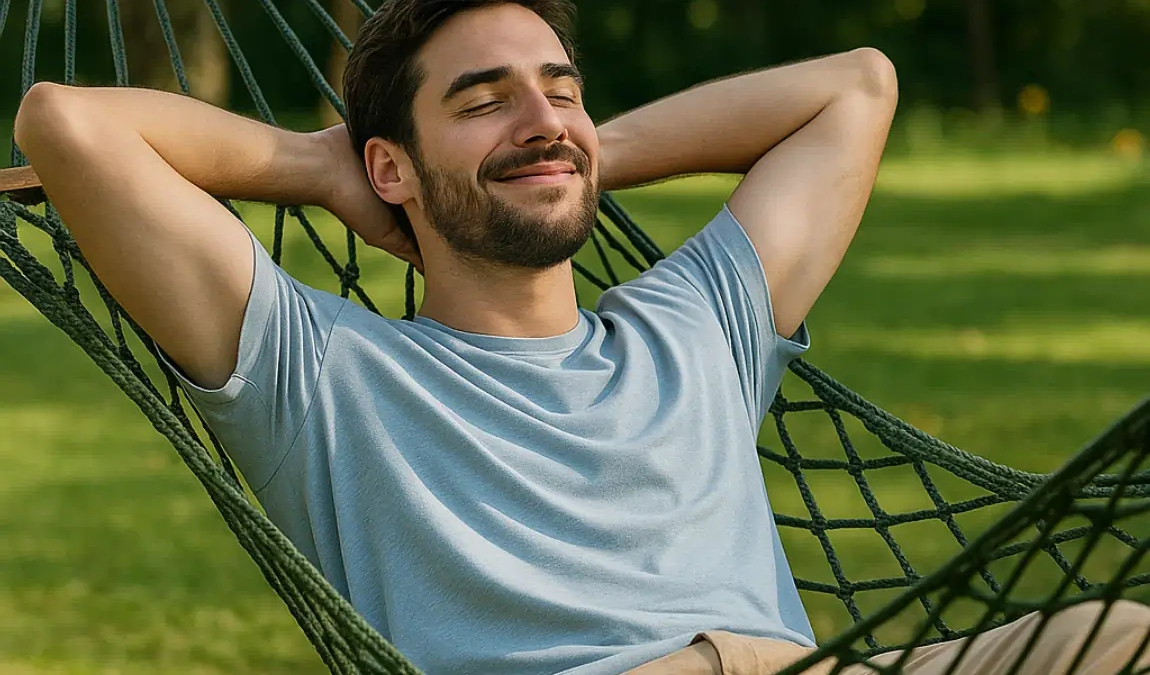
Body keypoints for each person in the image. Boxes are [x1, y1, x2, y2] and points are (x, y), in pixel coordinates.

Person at [12, 1, 1149, 673]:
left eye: (560, 90)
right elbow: (67, 123)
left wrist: (565, 152)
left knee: (1112, 633)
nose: (543, 116)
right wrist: (320, 166)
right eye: (484, 100)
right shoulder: (320, 374)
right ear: (389, 167)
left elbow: (857, 86)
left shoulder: (697, 319)